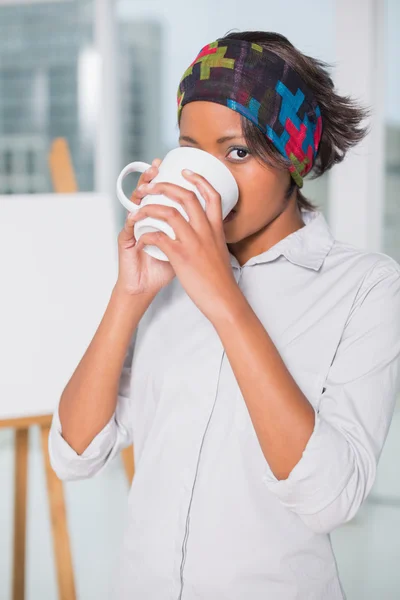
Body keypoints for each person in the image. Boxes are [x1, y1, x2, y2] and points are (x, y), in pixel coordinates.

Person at [48, 31, 400, 599]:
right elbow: (74, 453)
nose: (209, 178)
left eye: (237, 152)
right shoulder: (166, 280)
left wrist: (223, 296)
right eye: (192, 149)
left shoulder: (366, 288)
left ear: (294, 157)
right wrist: (130, 295)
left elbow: (330, 499)